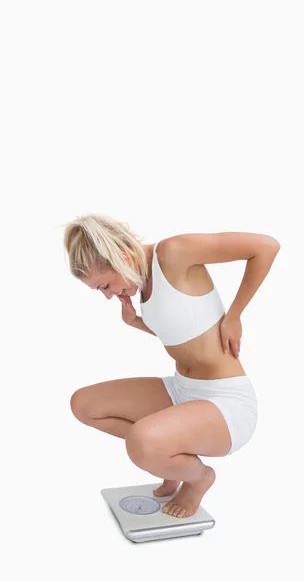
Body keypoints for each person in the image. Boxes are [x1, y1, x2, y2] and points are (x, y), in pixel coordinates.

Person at [63, 213, 280, 518]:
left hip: (227, 403)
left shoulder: (174, 252)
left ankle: (198, 477)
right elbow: (184, 331)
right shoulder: (141, 282)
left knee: (141, 443)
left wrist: (235, 315)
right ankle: (172, 457)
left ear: (123, 257)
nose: (109, 295)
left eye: (105, 285)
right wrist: (136, 322)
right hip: (181, 390)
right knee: (83, 405)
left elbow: (266, 246)